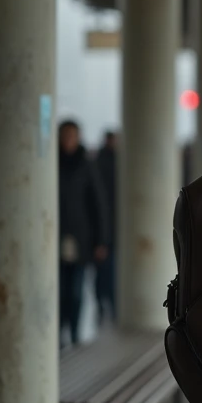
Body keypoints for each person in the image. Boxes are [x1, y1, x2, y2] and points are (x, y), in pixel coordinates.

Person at [58, 121, 109, 346]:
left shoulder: (87, 165)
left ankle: (75, 333)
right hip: (56, 237)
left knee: (77, 291)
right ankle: (59, 332)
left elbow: (98, 204)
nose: (68, 140)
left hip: (81, 238)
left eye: (72, 136)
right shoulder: (51, 163)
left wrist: (101, 240)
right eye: (65, 136)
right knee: (59, 290)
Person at [94, 130, 118, 326]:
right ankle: (107, 301)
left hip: (109, 225)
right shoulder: (105, 164)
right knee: (106, 268)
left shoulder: (98, 162)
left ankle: (105, 302)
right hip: (107, 225)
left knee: (106, 269)